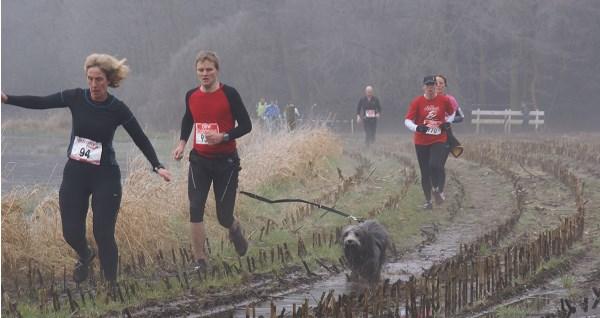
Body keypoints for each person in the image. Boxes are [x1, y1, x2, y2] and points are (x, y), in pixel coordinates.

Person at [1, 53, 172, 283]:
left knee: (103, 233)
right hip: (76, 174)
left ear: (108, 80)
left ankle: (111, 287)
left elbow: (140, 137)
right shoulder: (75, 97)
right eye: (90, 79)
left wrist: (157, 165)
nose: (93, 84)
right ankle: (85, 254)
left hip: (105, 175)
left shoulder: (117, 108)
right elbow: (41, 102)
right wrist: (7, 98)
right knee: (70, 232)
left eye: (99, 79)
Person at [172, 50, 252, 272]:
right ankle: (200, 261)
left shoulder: (230, 94)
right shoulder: (191, 95)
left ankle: (234, 229)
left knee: (223, 216)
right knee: (195, 207)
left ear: (217, 70)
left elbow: (246, 125)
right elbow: (188, 119)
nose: (205, 74)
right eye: (201, 70)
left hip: (226, 163)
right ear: (196, 72)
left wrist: (224, 136)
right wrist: (181, 143)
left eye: (209, 69)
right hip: (200, 161)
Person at [405, 76, 455, 210]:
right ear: (424, 87)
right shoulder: (417, 102)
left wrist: (447, 123)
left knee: (435, 164)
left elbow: (452, 112)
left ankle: (437, 189)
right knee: (424, 172)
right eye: (428, 86)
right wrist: (417, 127)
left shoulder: (443, 100)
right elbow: (407, 121)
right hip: (421, 141)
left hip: (438, 138)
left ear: (435, 87)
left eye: (433, 85)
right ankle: (428, 201)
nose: (431, 88)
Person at [435, 74, 464, 195]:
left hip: (446, 135)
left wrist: (448, 120)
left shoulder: (450, 100)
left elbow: (461, 117)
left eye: (441, 83)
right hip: (429, 136)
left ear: (445, 85)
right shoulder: (427, 99)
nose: (438, 85)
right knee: (431, 164)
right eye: (436, 83)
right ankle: (434, 185)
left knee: (440, 164)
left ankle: (439, 190)